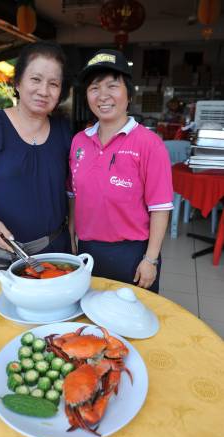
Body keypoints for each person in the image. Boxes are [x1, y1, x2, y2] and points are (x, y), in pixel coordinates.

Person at [0, 41, 72, 282]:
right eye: (35, 79)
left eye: (53, 84)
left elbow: (72, 189)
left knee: (56, 320)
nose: (43, 90)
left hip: (57, 254)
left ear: (60, 92)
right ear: (17, 82)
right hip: (4, 254)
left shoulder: (65, 132)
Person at [68, 49, 173, 293]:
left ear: (128, 94)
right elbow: (73, 195)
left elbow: (160, 207)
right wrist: (72, 237)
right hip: (87, 249)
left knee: (129, 325)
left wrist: (150, 259)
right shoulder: (79, 141)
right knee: (89, 323)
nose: (103, 95)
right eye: (94, 88)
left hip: (132, 254)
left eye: (112, 86)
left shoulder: (149, 143)